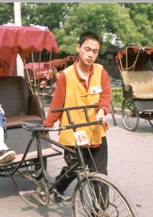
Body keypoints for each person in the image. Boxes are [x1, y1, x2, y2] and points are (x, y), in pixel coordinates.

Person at [43, 32, 112, 202]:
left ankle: (101, 214)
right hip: (74, 133)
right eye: (87, 49)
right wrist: (47, 125)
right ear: (78, 47)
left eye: (95, 51)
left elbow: (106, 95)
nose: (91, 55)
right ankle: (59, 187)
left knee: (100, 173)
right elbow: (57, 104)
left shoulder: (100, 71)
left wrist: (103, 110)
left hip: (96, 131)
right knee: (75, 168)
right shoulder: (66, 75)